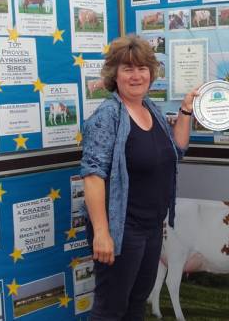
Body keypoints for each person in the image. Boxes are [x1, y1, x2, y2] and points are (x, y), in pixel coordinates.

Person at [81, 34, 196, 320]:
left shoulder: (150, 109)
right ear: (114, 75)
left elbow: (177, 150)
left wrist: (185, 111)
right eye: (128, 69)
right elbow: (92, 176)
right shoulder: (107, 116)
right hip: (121, 230)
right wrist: (102, 233)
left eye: (142, 68)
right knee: (110, 310)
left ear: (151, 73)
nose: (136, 76)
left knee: (136, 304)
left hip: (151, 227)